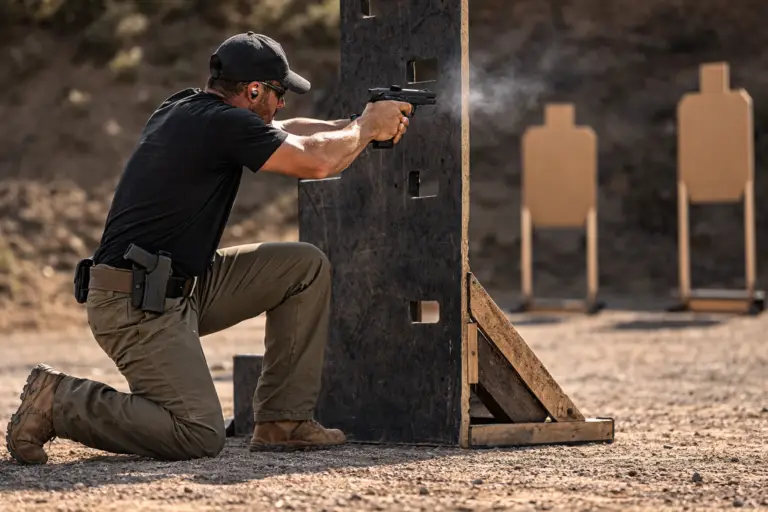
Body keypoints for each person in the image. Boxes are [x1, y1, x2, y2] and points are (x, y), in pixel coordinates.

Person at [5, 32, 412, 464]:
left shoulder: (187, 108)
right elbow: (316, 161)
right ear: (253, 90)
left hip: (176, 285)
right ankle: (59, 400)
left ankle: (282, 421)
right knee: (197, 434)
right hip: (135, 302)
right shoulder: (223, 124)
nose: (283, 103)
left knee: (302, 268)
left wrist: (357, 123)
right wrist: (367, 127)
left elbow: (288, 131)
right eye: (278, 93)